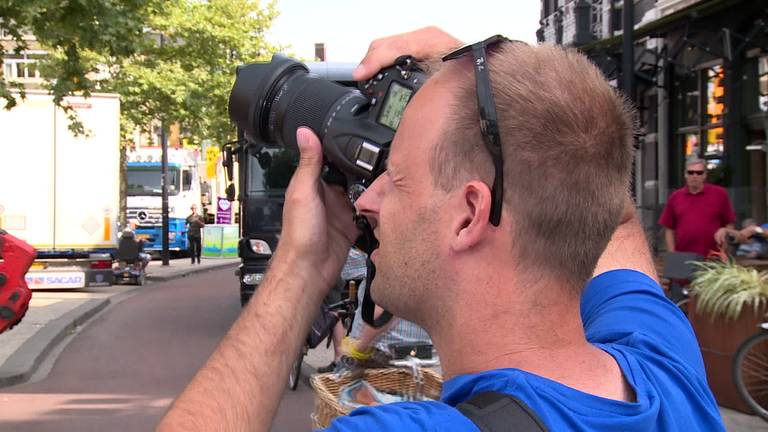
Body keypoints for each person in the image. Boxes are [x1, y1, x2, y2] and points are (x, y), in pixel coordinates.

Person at [158, 27, 724, 431]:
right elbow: (598, 191)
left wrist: (300, 267)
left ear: (469, 215)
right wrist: (500, 81)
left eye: (395, 175)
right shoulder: (665, 370)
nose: (369, 195)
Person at [659, 157, 736, 257]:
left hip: (713, 258)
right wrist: (672, 254)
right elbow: (669, 229)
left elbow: (729, 224)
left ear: (705, 175)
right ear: (685, 174)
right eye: (691, 172)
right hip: (683, 258)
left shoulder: (720, 194)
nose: (694, 176)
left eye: (699, 173)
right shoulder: (675, 197)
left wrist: (724, 251)